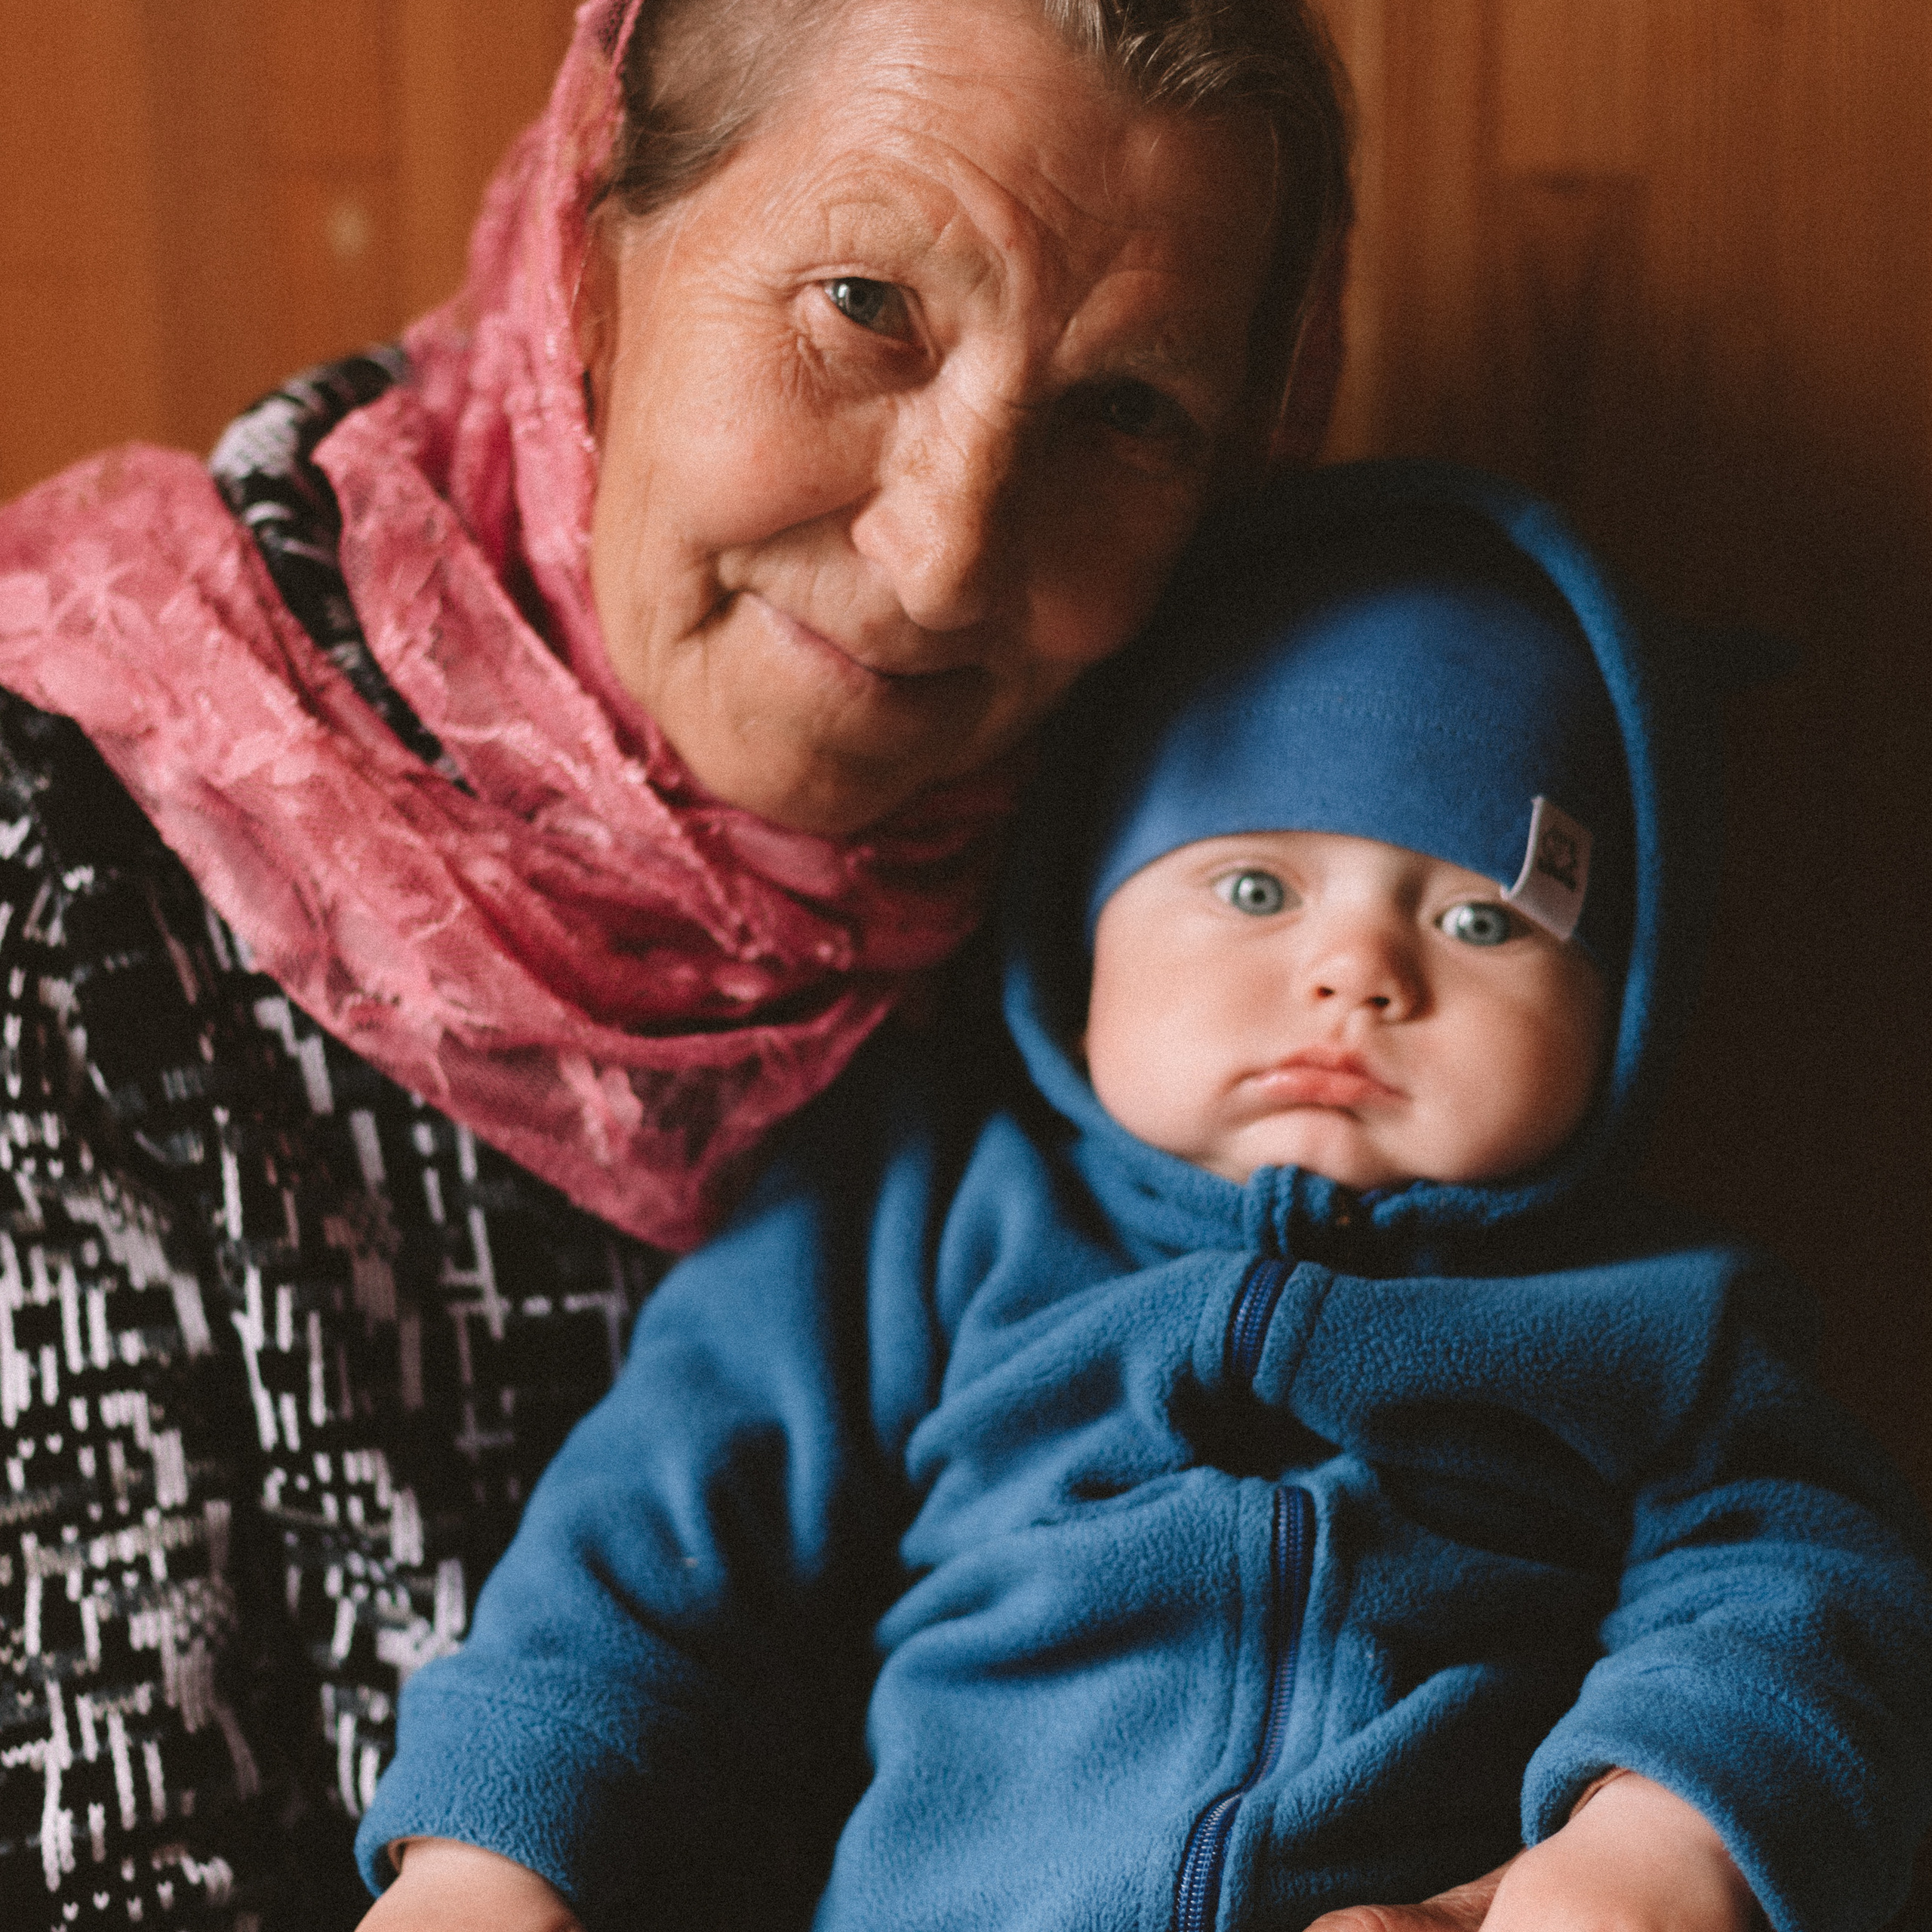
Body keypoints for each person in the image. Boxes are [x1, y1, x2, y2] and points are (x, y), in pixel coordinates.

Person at [0, 2, 1353, 1927]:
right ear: (594, 254)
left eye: (1127, 412)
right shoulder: (64, 862)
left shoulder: (1189, 936)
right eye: (864, 305)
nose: (946, 554)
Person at [350, 463, 1932, 1932]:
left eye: (1479, 920)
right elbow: (654, 1524)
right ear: (1081, 920)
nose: (1353, 970)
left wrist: (1653, 1836)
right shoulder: (925, 1216)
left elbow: (1799, 1581)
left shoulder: (1663, 1313)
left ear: (1627, 1014)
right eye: (1252, 887)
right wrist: (482, 1851)